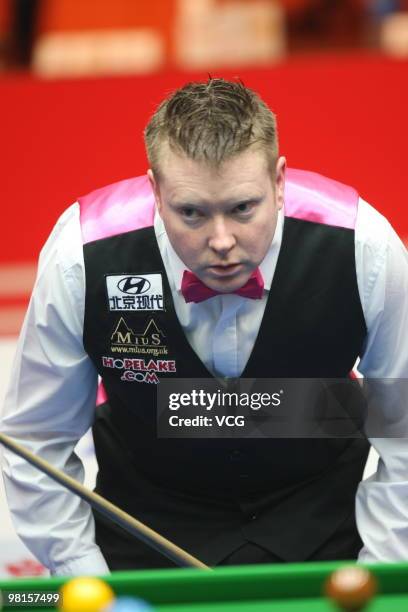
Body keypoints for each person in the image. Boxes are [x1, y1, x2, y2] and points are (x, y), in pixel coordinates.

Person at [1, 78, 408, 576]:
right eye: (191, 212)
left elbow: (405, 424)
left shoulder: (363, 247)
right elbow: (35, 437)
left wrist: (384, 567)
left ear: (279, 183)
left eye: (243, 209)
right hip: (142, 536)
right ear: (154, 191)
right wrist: (83, 570)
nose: (221, 241)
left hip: (328, 531)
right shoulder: (82, 257)